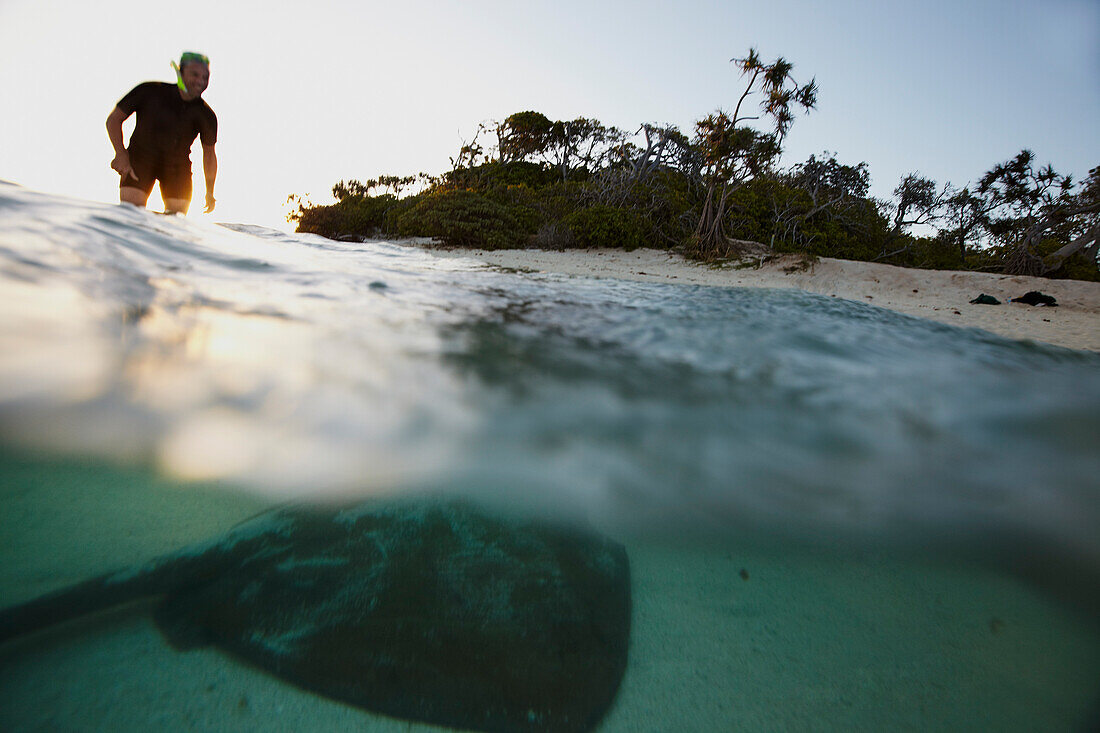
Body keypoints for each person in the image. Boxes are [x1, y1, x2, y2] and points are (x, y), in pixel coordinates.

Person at [106, 52, 218, 215]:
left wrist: (210, 191)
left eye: (205, 77)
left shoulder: (206, 115)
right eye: (195, 74)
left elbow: (209, 155)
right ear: (180, 72)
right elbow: (113, 120)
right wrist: (120, 154)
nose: (201, 81)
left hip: (177, 169)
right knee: (130, 215)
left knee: (175, 223)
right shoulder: (150, 91)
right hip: (139, 162)